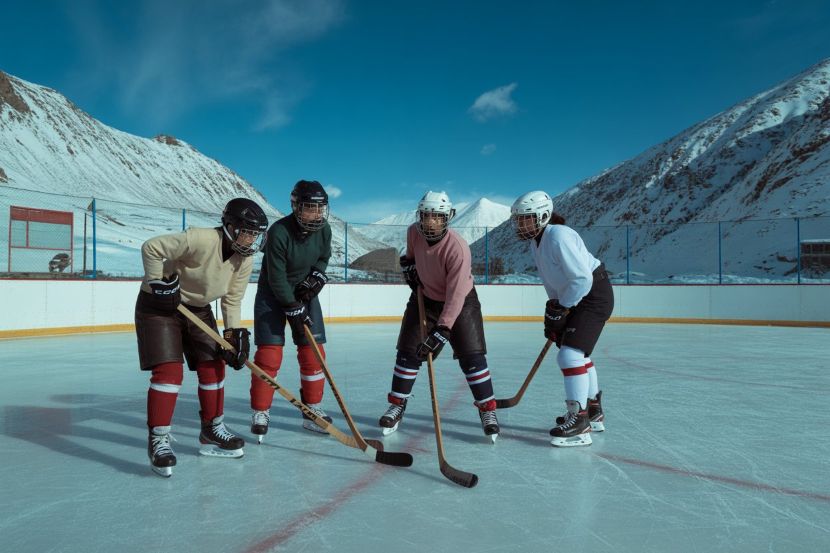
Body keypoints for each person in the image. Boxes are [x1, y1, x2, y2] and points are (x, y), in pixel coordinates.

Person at [137, 197, 268, 477]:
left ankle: (212, 429)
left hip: (198, 308)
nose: (251, 239)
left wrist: (232, 336)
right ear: (230, 226)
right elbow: (151, 247)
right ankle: (158, 438)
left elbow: (232, 299)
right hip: (159, 306)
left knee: (214, 367)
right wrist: (157, 282)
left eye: (256, 234)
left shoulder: (244, 258)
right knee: (169, 372)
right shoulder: (200, 239)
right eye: (247, 231)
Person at [378, 191, 500, 442]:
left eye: (437, 217)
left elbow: (455, 295)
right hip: (425, 297)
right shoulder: (413, 232)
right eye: (427, 216)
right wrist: (408, 268)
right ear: (420, 216)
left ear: (447, 218)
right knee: (408, 352)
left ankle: (488, 410)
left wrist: (443, 330)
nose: (431, 221)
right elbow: (410, 256)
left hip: (462, 302)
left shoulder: (457, 248)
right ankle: (397, 404)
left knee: (472, 356)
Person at [510, 190, 614, 447]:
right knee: (579, 355)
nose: (520, 224)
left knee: (570, 355)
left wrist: (564, 307)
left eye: (525, 219)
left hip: (592, 294)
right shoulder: (538, 241)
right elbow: (553, 281)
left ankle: (579, 422)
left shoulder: (558, 235)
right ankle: (592, 412)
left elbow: (582, 278)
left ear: (543, 216)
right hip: (577, 296)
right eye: (519, 219)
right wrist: (555, 311)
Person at [249, 180, 333, 441]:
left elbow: (323, 256)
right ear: (296, 207)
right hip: (273, 295)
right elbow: (276, 277)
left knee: (314, 353)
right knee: (269, 356)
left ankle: (312, 411)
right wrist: (291, 307)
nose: (317, 214)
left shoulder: (324, 230)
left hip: (304, 294)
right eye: (310, 208)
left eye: (320, 209)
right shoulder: (279, 232)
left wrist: (317, 276)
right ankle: (260, 412)